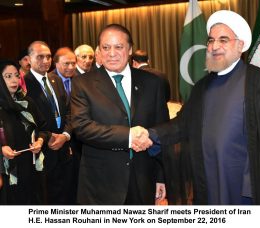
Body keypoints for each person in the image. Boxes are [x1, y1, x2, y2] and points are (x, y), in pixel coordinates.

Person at [134, 10, 260, 205]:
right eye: (211, 41)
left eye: (223, 40)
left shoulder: (258, 83)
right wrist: (149, 134)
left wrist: (254, 184)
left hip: (246, 185)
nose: (214, 46)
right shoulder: (202, 87)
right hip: (207, 179)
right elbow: (181, 124)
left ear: (240, 45)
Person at [71, 24, 169, 205]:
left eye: (118, 47)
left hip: (143, 180)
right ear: (99, 51)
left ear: (130, 49)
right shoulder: (82, 84)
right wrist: (129, 136)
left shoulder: (152, 83)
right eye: (106, 48)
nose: (111, 53)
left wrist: (161, 176)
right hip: (100, 183)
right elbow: (82, 127)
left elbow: (162, 130)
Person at [24, 41, 73, 204]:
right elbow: (25, 120)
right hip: (42, 151)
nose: (46, 60)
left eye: (48, 57)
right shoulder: (23, 85)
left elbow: (68, 112)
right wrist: (48, 137)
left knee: (65, 195)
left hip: (63, 149)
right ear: (28, 60)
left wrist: (65, 135)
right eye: (40, 57)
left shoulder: (56, 80)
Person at [0, 60, 50, 204]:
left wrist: (40, 141)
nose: (14, 80)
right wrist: (2, 149)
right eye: (8, 76)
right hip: (8, 174)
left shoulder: (27, 102)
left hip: (32, 169)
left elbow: (44, 129)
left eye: (16, 75)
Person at [48, 47, 80, 203]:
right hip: (57, 141)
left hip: (78, 138)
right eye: (66, 63)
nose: (71, 67)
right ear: (56, 63)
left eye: (73, 63)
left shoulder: (79, 80)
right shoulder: (49, 80)